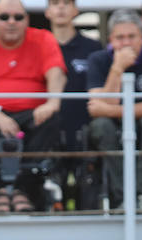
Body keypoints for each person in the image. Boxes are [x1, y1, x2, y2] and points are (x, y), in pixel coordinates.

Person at [0, 0, 66, 213]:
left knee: (53, 118)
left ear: (27, 20)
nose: (11, 22)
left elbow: (56, 73)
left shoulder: (44, 39)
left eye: (18, 17)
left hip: (33, 113)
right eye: (4, 17)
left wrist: (52, 102)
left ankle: (23, 189)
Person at [85, 9, 142, 212]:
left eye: (131, 36)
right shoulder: (98, 59)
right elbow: (98, 110)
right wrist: (117, 68)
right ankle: (122, 198)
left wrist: (109, 110)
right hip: (112, 127)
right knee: (101, 126)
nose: (126, 43)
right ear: (110, 39)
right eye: (120, 37)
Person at [47, 0, 101, 154]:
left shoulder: (93, 47)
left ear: (76, 10)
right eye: (55, 3)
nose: (61, 7)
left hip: (85, 125)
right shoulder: (37, 48)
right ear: (47, 12)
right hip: (48, 125)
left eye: (67, 3)